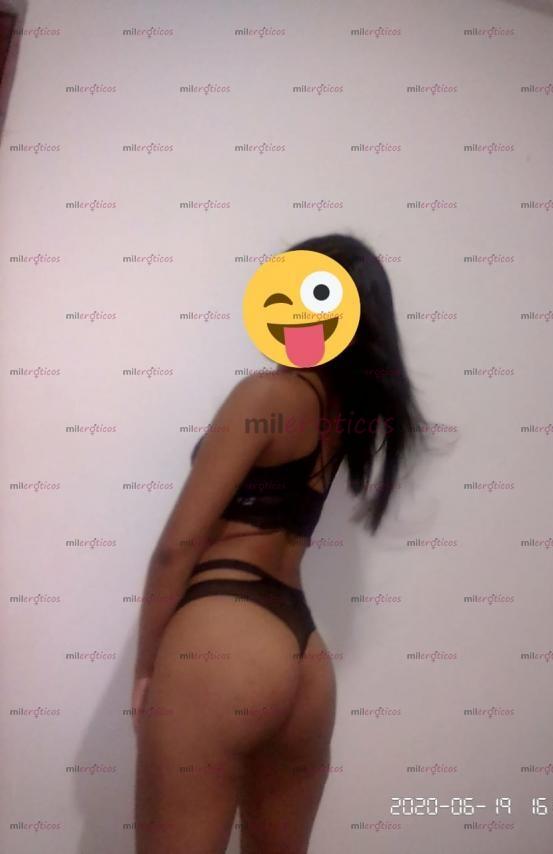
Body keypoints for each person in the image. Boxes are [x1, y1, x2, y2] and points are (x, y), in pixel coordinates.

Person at [132, 232, 428, 853]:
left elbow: (175, 548)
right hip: (305, 662)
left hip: (223, 637)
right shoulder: (338, 418)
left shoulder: (267, 394)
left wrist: (146, 666)